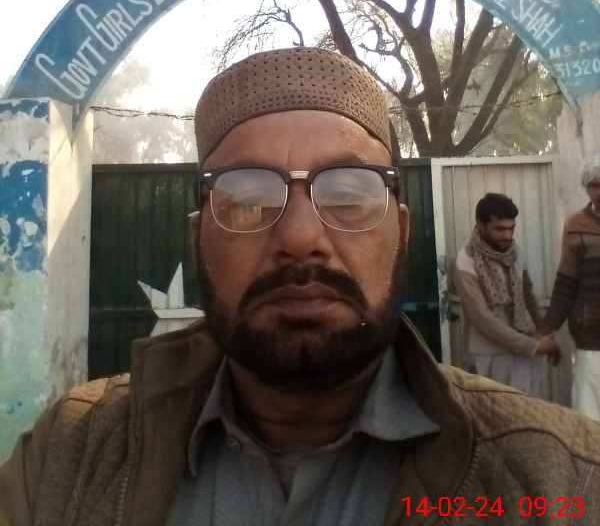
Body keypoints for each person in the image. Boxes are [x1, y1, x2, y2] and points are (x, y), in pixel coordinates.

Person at [1, 47, 600, 526]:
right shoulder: (67, 459)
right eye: (247, 197)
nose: (299, 237)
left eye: (349, 193)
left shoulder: (561, 480)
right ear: (197, 239)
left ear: (401, 231)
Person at [454, 192, 560, 396]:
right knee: (494, 413)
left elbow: (527, 294)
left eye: (511, 228)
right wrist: (533, 346)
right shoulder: (466, 260)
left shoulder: (514, 251)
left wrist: (542, 331)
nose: (507, 236)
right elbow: (482, 320)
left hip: (523, 354)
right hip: (489, 358)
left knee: (528, 411)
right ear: (480, 225)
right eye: (500, 229)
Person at [540, 156, 600, 419]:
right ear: (587, 188)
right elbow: (566, 282)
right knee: (590, 417)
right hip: (591, 337)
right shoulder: (575, 225)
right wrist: (546, 329)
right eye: (595, 185)